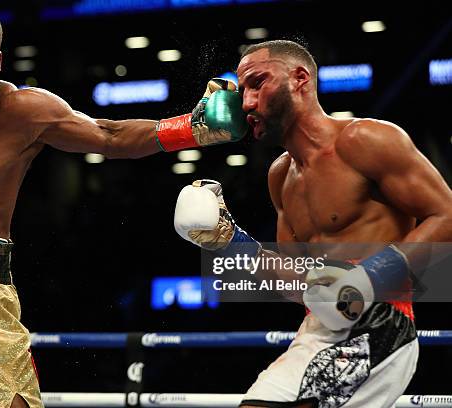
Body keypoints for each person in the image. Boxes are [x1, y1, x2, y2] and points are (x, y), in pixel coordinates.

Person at [0, 3, 249, 408]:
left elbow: (108, 135)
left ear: (1, 57)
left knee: (3, 402)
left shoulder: (26, 111)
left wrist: (192, 129)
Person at [173, 40, 452, 407]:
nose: (246, 103)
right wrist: (231, 243)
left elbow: (446, 215)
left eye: (257, 83)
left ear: (300, 79)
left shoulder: (366, 140)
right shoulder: (280, 176)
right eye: (242, 92)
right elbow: (300, 284)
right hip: (318, 330)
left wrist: (367, 278)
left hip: (380, 323)